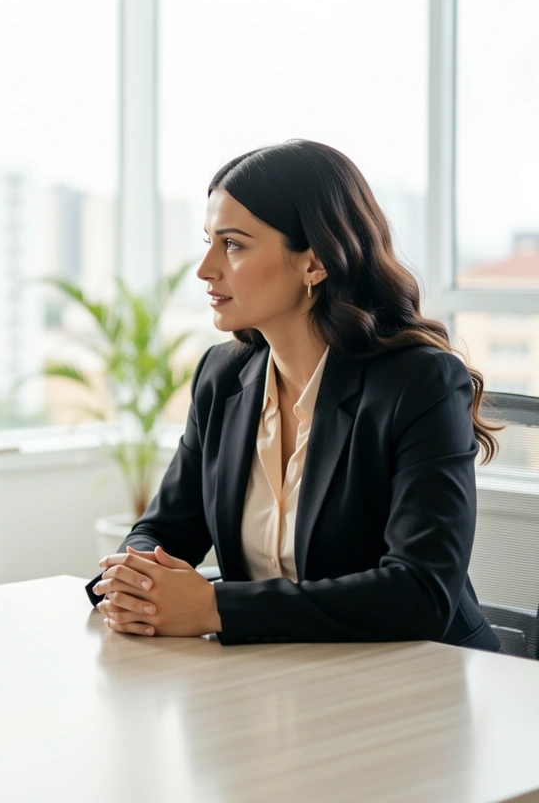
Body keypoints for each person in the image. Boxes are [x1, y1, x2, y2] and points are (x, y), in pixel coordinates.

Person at [89, 140, 500, 651]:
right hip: (281, 678)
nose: (205, 268)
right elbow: (165, 529)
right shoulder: (223, 376)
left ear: (315, 263)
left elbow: (421, 593)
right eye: (208, 241)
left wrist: (217, 607)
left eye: (233, 245)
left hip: (421, 680)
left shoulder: (419, 384)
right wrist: (133, 580)